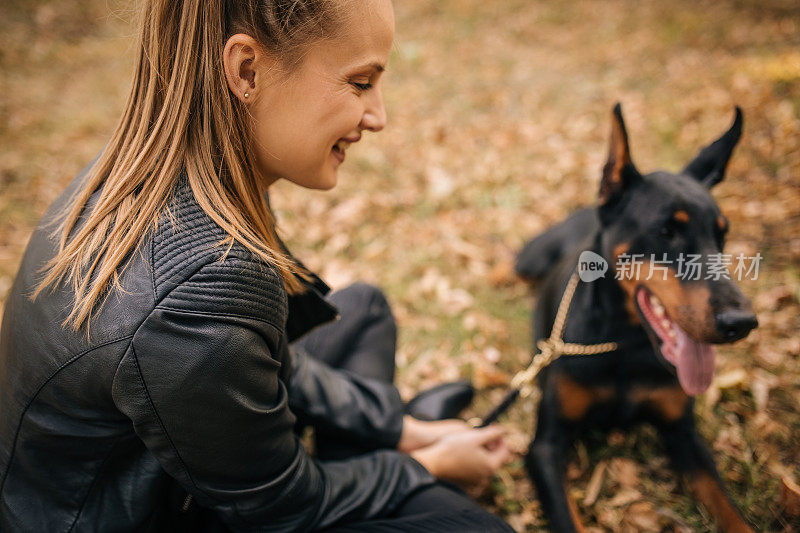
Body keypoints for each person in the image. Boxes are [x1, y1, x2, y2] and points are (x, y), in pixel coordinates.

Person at [0, 0, 514, 531]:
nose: (378, 117)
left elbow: (270, 360)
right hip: (157, 511)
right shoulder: (198, 290)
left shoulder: (175, 166)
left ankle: (372, 443)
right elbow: (283, 506)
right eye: (360, 83)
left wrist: (398, 428)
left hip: (193, 451)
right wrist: (425, 467)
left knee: (363, 310)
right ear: (247, 70)